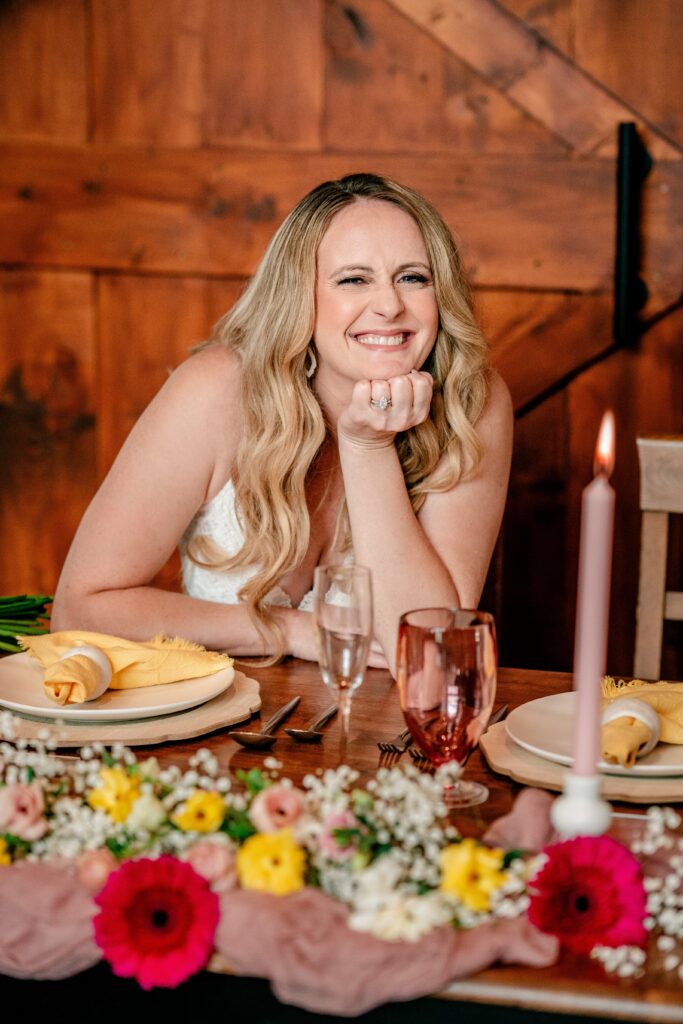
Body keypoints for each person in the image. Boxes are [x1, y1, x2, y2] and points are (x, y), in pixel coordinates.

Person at [52, 173, 513, 675]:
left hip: (388, 734)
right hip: (220, 732)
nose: (389, 305)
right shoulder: (216, 392)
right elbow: (80, 609)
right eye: (354, 279)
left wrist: (367, 446)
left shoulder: (473, 401)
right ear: (301, 296)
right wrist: (292, 630)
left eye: (413, 277)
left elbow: (433, 651)